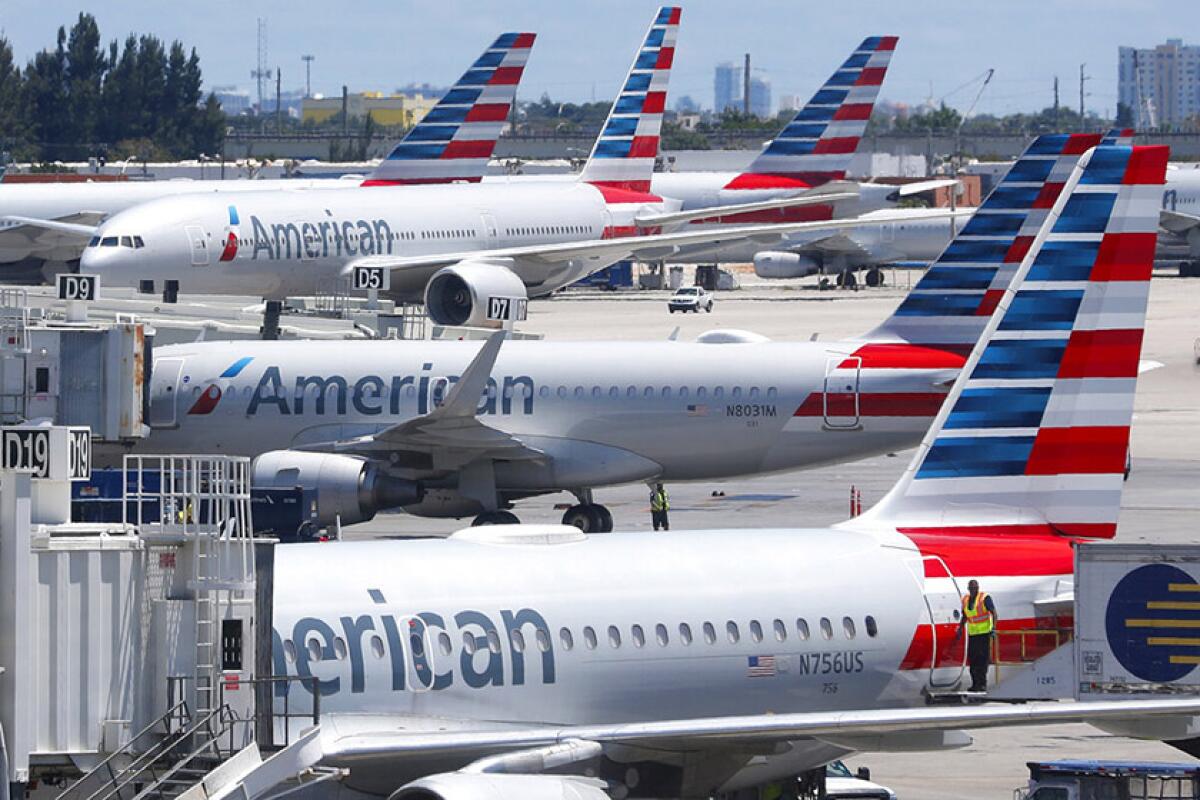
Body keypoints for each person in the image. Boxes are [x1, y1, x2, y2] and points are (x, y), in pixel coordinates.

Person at [956, 579, 997, 692]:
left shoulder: (984, 598)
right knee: (973, 660)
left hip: (984, 634)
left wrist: (993, 627)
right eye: (972, 588)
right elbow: (965, 615)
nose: (974, 589)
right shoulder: (965, 600)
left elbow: (994, 612)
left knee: (982, 661)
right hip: (973, 634)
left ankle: (982, 684)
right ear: (969, 589)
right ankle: (975, 684)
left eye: (976, 587)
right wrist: (960, 627)